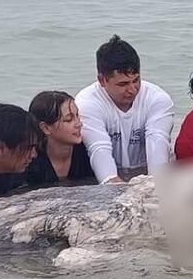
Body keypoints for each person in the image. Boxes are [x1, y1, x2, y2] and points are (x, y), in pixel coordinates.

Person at [75, 35, 175, 184]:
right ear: (102, 80)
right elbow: (98, 148)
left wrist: (157, 185)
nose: (132, 89)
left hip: (143, 168)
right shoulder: (86, 103)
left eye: (136, 80)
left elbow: (158, 141)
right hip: (104, 171)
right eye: (123, 84)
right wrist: (113, 184)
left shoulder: (158, 98)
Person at [25, 91, 95, 187]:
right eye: (69, 120)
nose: (79, 124)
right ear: (45, 128)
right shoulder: (29, 160)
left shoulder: (89, 150)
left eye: (77, 116)